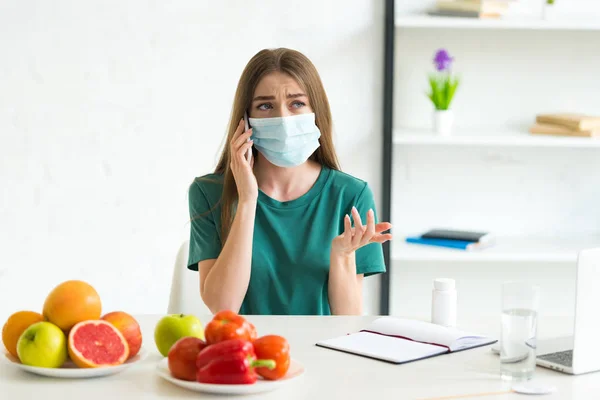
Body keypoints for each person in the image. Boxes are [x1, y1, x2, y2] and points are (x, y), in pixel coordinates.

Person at [187, 48, 392, 316]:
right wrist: (247, 201)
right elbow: (222, 306)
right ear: (245, 118)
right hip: (244, 353)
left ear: (316, 111)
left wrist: (341, 255)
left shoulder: (351, 195)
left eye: (296, 104)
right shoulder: (209, 192)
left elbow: (348, 322)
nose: (283, 118)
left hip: (321, 353)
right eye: (265, 105)